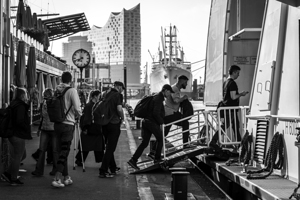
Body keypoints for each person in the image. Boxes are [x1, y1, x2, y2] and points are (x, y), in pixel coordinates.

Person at [127, 84, 174, 170]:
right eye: (170, 92)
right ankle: (157, 159)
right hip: (151, 122)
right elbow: (155, 113)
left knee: (145, 142)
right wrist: (161, 122)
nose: (170, 94)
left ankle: (133, 160)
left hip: (146, 121)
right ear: (166, 90)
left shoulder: (155, 96)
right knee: (160, 139)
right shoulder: (159, 98)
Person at [51, 71, 82, 188]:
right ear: (71, 80)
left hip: (57, 124)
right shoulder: (72, 90)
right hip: (68, 124)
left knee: (61, 151)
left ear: (61, 79)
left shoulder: (56, 90)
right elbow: (77, 108)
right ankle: (57, 178)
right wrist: (80, 115)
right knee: (64, 152)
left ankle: (66, 177)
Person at [2, 87, 32, 186]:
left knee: (21, 155)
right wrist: (26, 127)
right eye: (26, 94)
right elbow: (19, 121)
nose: (27, 96)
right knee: (18, 156)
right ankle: (13, 178)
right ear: (22, 95)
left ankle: (8, 173)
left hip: (12, 134)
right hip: (18, 134)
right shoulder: (20, 106)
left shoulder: (14, 104)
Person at [98, 81, 125, 178]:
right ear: (118, 86)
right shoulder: (117, 95)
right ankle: (103, 171)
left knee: (109, 147)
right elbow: (119, 109)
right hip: (114, 123)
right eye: (122, 88)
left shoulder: (105, 94)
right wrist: (122, 117)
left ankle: (113, 168)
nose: (122, 90)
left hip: (104, 123)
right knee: (110, 148)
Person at [32, 88, 58, 176]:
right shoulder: (44, 104)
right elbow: (42, 117)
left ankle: (55, 169)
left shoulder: (56, 104)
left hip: (54, 129)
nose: (45, 99)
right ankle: (39, 170)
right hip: (45, 128)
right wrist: (39, 128)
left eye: (47, 97)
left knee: (54, 150)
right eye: (45, 97)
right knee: (42, 149)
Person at [75, 90, 104, 166]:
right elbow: (87, 118)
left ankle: (79, 159)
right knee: (97, 146)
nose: (100, 98)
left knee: (86, 146)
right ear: (95, 96)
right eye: (99, 96)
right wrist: (85, 128)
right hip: (91, 129)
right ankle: (102, 160)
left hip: (91, 129)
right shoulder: (90, 106)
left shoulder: (91, 105)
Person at [220, 65, 248, 142]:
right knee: (225, 126)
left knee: (236, 126)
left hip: (228, 108)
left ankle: (239, 143)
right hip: (231, 109)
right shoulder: (232, 83)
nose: (238, 75)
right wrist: (241, 94)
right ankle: (213, 141)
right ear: (234, 72)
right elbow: (233, 97)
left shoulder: (225, 82)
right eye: (238, 73)